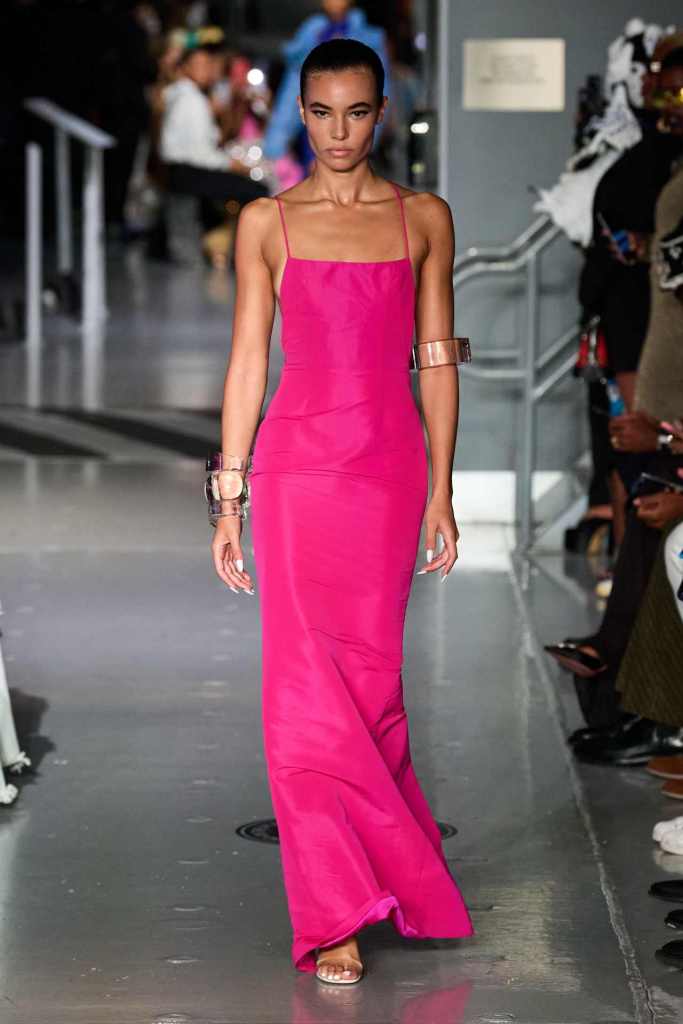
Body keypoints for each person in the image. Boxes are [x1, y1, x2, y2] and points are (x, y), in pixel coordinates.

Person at [207, 38, 474, 983]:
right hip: (295, 474)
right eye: (321, 112)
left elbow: (435, 361)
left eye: (356, 112)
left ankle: (376, 874)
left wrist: (442, 487)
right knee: (300, 694)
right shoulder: (267, 223)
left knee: (371, 688)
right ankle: (332, 913)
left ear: (382, 113)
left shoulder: (423, 218)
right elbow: (249, 360)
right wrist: (229, 493)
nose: (338, 132)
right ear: (301, 112)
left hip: (386, 474)